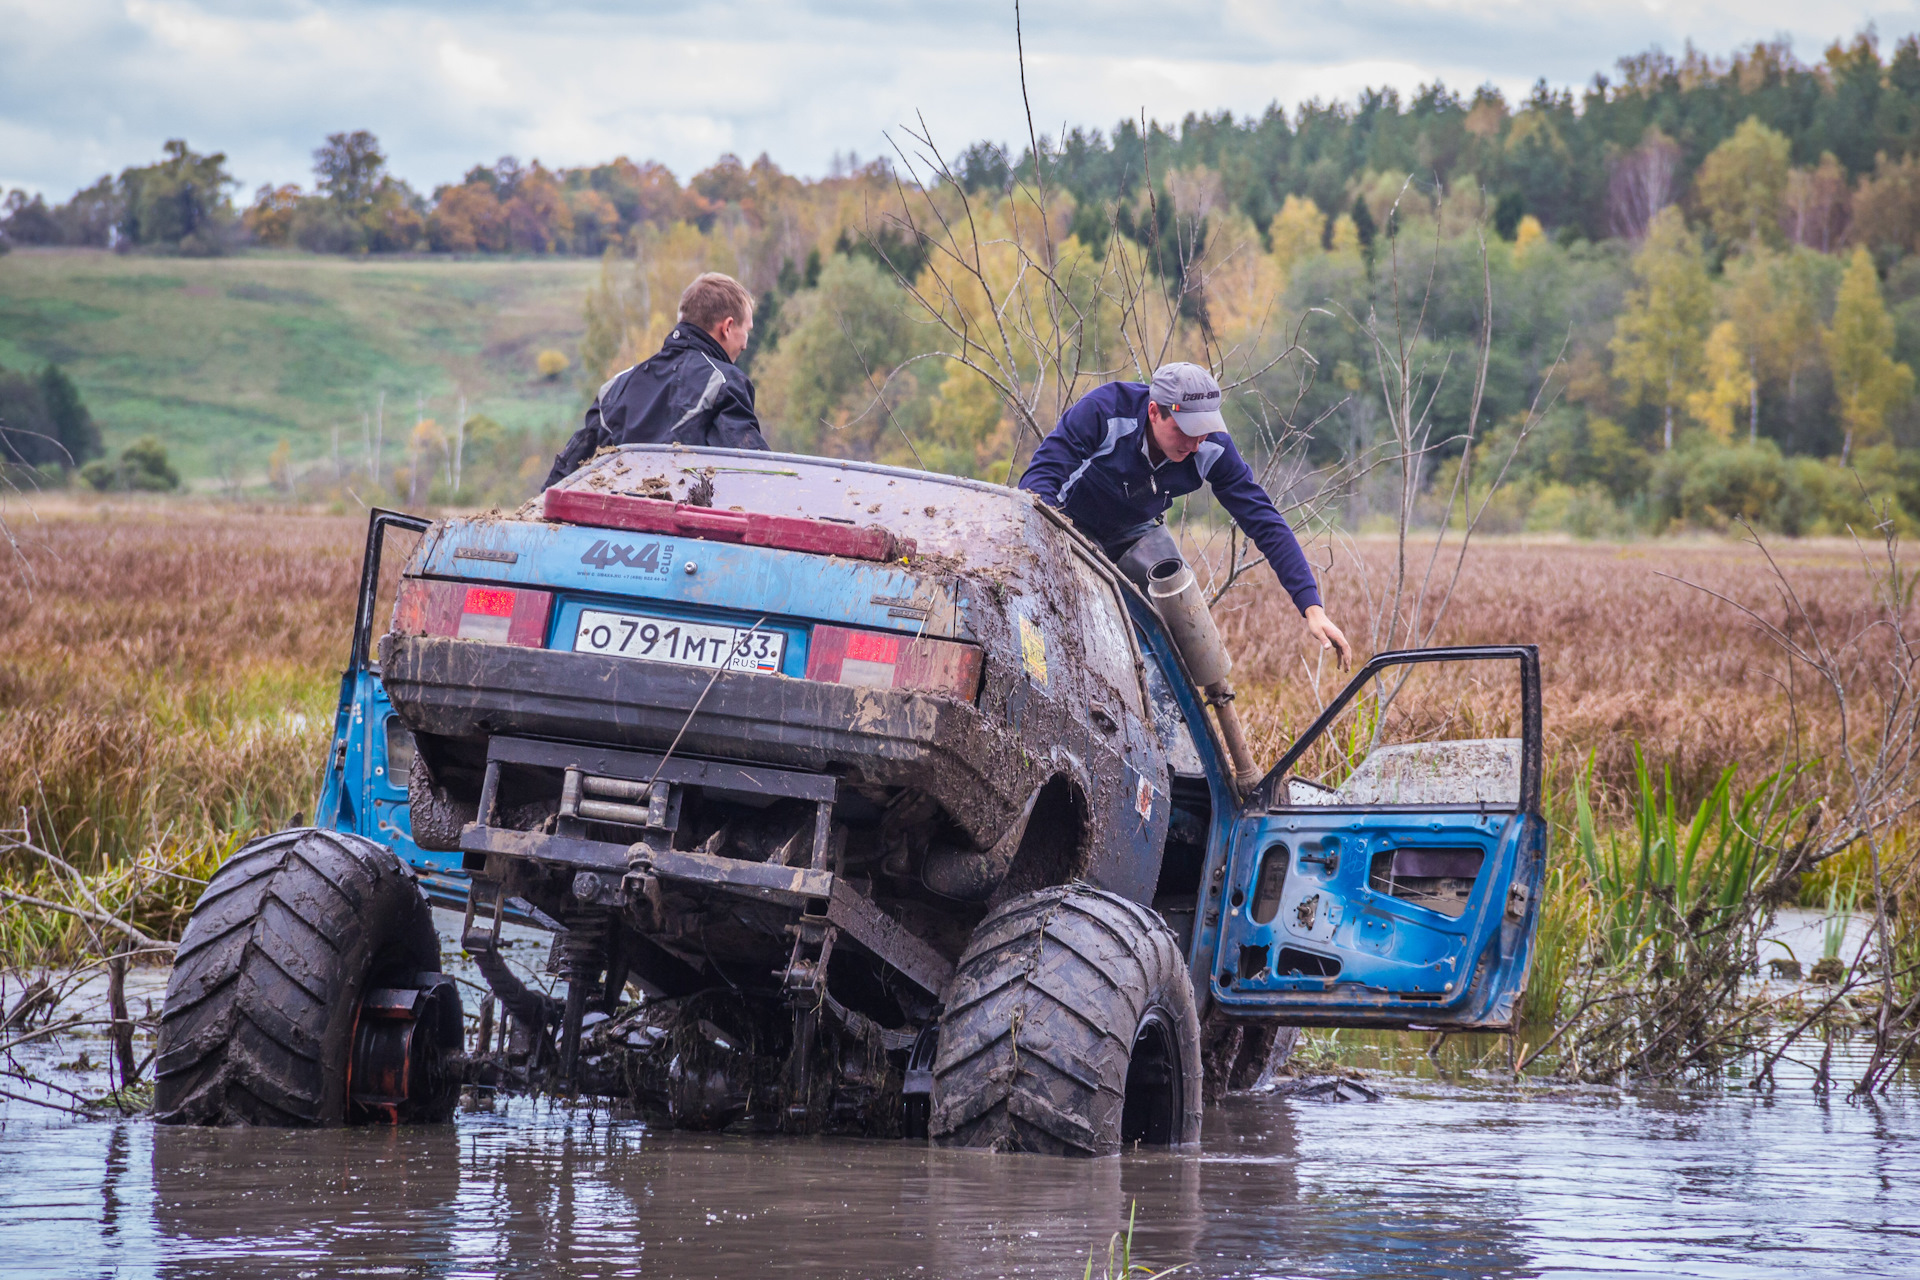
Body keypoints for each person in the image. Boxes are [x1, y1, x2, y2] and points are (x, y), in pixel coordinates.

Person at [1019, 361, 1352, 667]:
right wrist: (1051, 549)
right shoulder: (1106, 411)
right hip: (1070, 525)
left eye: (1203, 430)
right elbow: (1038, 483)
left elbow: (1265, 522)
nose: (1194, 444)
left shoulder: (1211, 447)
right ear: (1154, 412)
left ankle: (1191, 714)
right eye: (1185, 430)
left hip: (1137, 531)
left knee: (1189, 627)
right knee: (1076, 615)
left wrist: (1312, 608)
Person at [543, 271, 768, 488]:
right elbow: (754, 471)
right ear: (727, 327)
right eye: (746, 330)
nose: (745, 344)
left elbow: (568, 474)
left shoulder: (616, 386)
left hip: (617, 522)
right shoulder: (724, 382)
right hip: (682, 523)